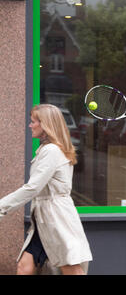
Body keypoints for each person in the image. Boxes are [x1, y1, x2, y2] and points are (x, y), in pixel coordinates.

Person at [0, 104, 92, 275]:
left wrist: (2, 206)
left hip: (55, 218)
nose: (30, 125)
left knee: (72, 269)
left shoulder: (51, 151)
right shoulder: (46, 149)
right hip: (44, 220)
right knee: (24, 267)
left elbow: (32, 187)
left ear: (46, 124)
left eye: (33, 122)